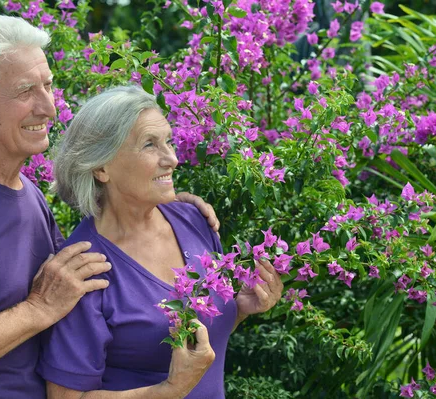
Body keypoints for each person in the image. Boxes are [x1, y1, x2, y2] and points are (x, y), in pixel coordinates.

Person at [0, 14, 219, 399]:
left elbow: (92, 284)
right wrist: (36, 310)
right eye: (26, 91)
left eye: (48, 85)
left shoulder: (28, 194)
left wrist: (167, 205)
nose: (49, 107)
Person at [37, 86, 283, 398]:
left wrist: (241, 309)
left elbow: (197, 345)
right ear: (101, 167)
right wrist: (170, 390)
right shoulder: (83, 270)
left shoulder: (194, 221)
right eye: (150, 145)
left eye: (167, 141)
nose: (173, 159)